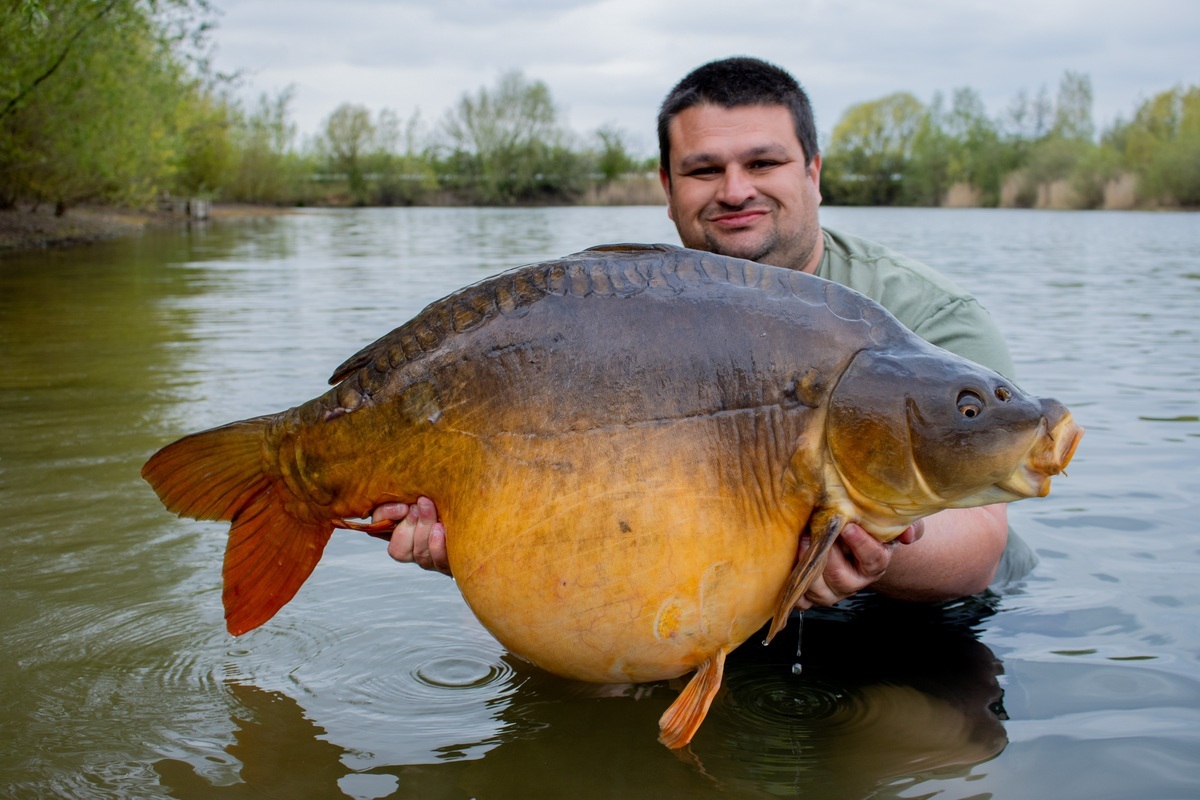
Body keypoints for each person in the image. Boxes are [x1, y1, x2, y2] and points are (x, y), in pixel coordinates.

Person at [375, 56, 1024, 610]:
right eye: (704, 170)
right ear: (667, 187)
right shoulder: (623, 310)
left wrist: (864, 552)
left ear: (814, 173)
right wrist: (481, 539)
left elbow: (978, 549)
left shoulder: (928, 317)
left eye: (764, 162)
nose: (735, 191)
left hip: (916, 627)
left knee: (921, 741)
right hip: (704, 599)